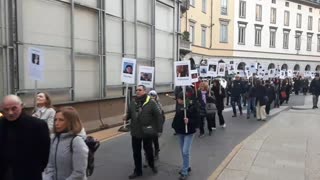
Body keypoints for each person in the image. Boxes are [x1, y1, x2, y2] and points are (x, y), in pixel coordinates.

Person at [0, 95, 50, 180]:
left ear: (21, 106)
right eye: (6, 109)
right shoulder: (1, 124)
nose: (10, 112)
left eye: (14, 108)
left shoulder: (37, 125)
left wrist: (35, 169)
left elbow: (44, 153)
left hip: (29, 174)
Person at [124, 85, 162, 179]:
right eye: (136, 90)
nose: (137, 91)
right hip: (135, 132)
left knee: (148, 151)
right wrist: (126, 116)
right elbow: (130, 114)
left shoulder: (151, 103)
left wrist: (158, 130)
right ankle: (137, 171)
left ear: (145, 91)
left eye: (139, 90)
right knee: (136, 152)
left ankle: (152, 165)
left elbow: (158, 116)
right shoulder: (133, 102)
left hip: (147, 132)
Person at [43, 106, 88, 180]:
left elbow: (79, 173)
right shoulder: (54, 139)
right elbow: (50, 166)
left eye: (61, 120)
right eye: (55, 120)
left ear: (70, 122)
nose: (56, 123)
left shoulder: (76, 141)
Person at [172, 92, 199, 180]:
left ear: (183, 99)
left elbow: (198, 120)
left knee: (185, 151)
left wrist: (189, 121)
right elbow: (177, 117)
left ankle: (184, 171)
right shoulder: (179, 106)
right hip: (180, 131)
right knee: (183, 151)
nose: (178, 101)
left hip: (189, 132)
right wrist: (174, 126)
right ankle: (187, 166)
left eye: (179, 99)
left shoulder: (192, 106)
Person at [148, 90, 165, 160]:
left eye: (153, 96)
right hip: (148, 125)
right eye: (150, 96)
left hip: (155, 126)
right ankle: (147, 156)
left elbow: (162, 117)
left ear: (155, 97)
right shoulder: (146, 104)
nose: (152, 97)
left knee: (155, 141)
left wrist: (159, 128)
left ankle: (156, 153)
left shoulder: (159, 105)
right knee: (148, 142)